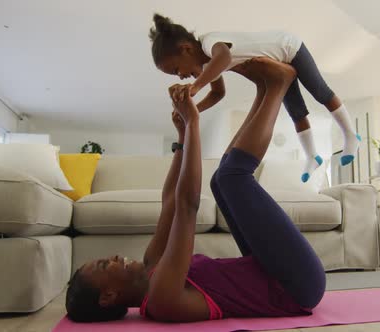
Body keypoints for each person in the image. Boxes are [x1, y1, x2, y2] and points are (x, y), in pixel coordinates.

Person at [65, 57, 326, 323]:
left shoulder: (152, 264)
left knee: (219, 183)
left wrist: (181, 137)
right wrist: (192, 124)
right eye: (103, 265)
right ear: (108, 296)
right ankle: (277, 86)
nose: (113, 257)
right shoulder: (162, 300)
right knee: (232, 178)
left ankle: (265, 89)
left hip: (271, 269)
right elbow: (187, 207)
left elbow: (170, 202)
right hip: (295, 286)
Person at [148, 14, 361, 183]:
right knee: (296, 111)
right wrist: (190, 111)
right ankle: (312, 156)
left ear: (186, 49)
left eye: (177, 70)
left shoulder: (209, 42)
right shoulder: (206, 66)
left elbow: (224, 57)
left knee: (320, 92)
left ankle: (350, 135)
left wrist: (195, 86)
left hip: (288, 47)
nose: (181, 76)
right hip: (278, 64)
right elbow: (218, 93)